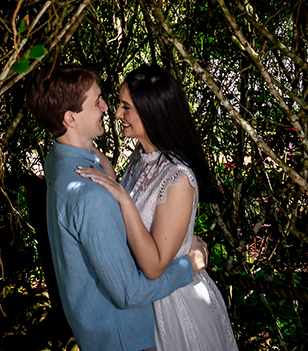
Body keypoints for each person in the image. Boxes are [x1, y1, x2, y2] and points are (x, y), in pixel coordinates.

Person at [27, 66, 209, 351]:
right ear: (70, 118)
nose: (108, 109)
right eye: (98, 101)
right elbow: (129, 291)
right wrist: (190, 266)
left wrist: (111, 178)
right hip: (125, 335)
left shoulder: (58, 160)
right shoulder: (90, 193)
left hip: (139, 320)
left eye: (124, 105)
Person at [76, 64, 239, 351]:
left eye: (126, 107)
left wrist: (123, 199)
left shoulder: (178, 178)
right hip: (142, 302)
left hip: (175, 307)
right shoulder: (142, 157)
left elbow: (154, 266)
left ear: (152, 111)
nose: (116, 113)